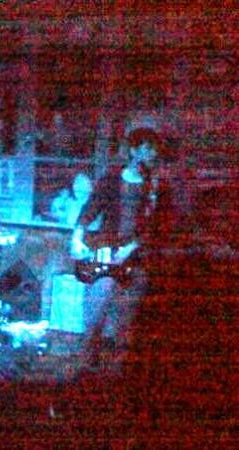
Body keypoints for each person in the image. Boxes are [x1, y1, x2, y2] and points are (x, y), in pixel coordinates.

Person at [67, 127, 172, 370]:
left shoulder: (156, 187)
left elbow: (159, 226)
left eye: (154, 150)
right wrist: (77, 235)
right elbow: (91, 209)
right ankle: (87, 362)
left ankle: (116, 369)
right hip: (108, 250)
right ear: (134, 151)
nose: (152, 154)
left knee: (126, 314)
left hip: (139, 256)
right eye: (147, 149)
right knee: (96, 304)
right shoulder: (112, 179)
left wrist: (133, 246)